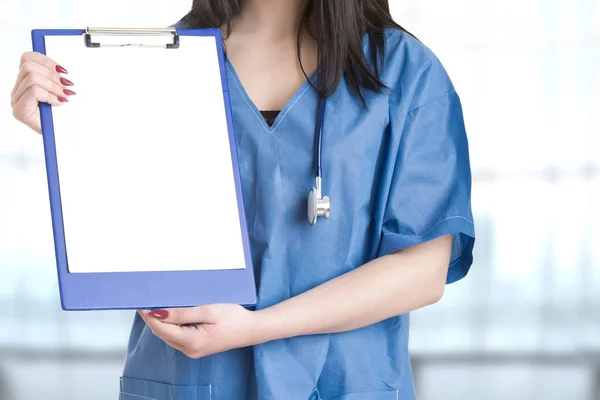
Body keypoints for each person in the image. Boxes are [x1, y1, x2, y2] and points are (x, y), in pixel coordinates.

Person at [10, 0, 475, 398]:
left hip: (345, 379)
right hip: (190, 379)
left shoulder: (404, 71)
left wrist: (256, 328)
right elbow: (131, 227)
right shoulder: (149, 63)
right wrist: (63, 134)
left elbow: (423, 270)